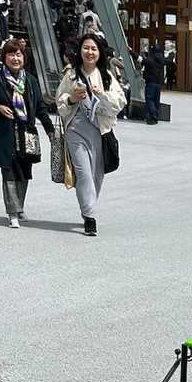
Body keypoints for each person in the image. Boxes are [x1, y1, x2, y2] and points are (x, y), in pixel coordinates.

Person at [56, 34, 125, 235]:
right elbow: (60, 101)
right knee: (84, 173)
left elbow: (120, 102)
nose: (90, 52)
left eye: (94, 48)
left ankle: (89, 207)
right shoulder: (71, 75)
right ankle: (90, 217)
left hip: (99, 131)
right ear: (80, 51)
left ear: (99, 52)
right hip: (76, 130)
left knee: (96, 175)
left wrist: (101, 95)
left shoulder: (106, 76)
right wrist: (71, 98)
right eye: (86, 48)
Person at [0, 39, 54, 228]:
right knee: (8, 172)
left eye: (19, 54)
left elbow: (40, 108)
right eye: (11, 54)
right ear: (5, 58)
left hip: (26, 135)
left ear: (24, 57)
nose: (15, 58)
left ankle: (19, 207)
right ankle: (12, 212)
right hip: (5, 135)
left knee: (24, 173)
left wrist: (50, 129)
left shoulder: (30, 81)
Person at [142, 43, 166, 124]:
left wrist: (131, 52)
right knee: (156, 100)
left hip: (151, 82)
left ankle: (153, 116)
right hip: (158, 83)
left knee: (149, 99)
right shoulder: (161, 60)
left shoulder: (150, 60)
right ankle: (156, 116)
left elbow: (141, 60)